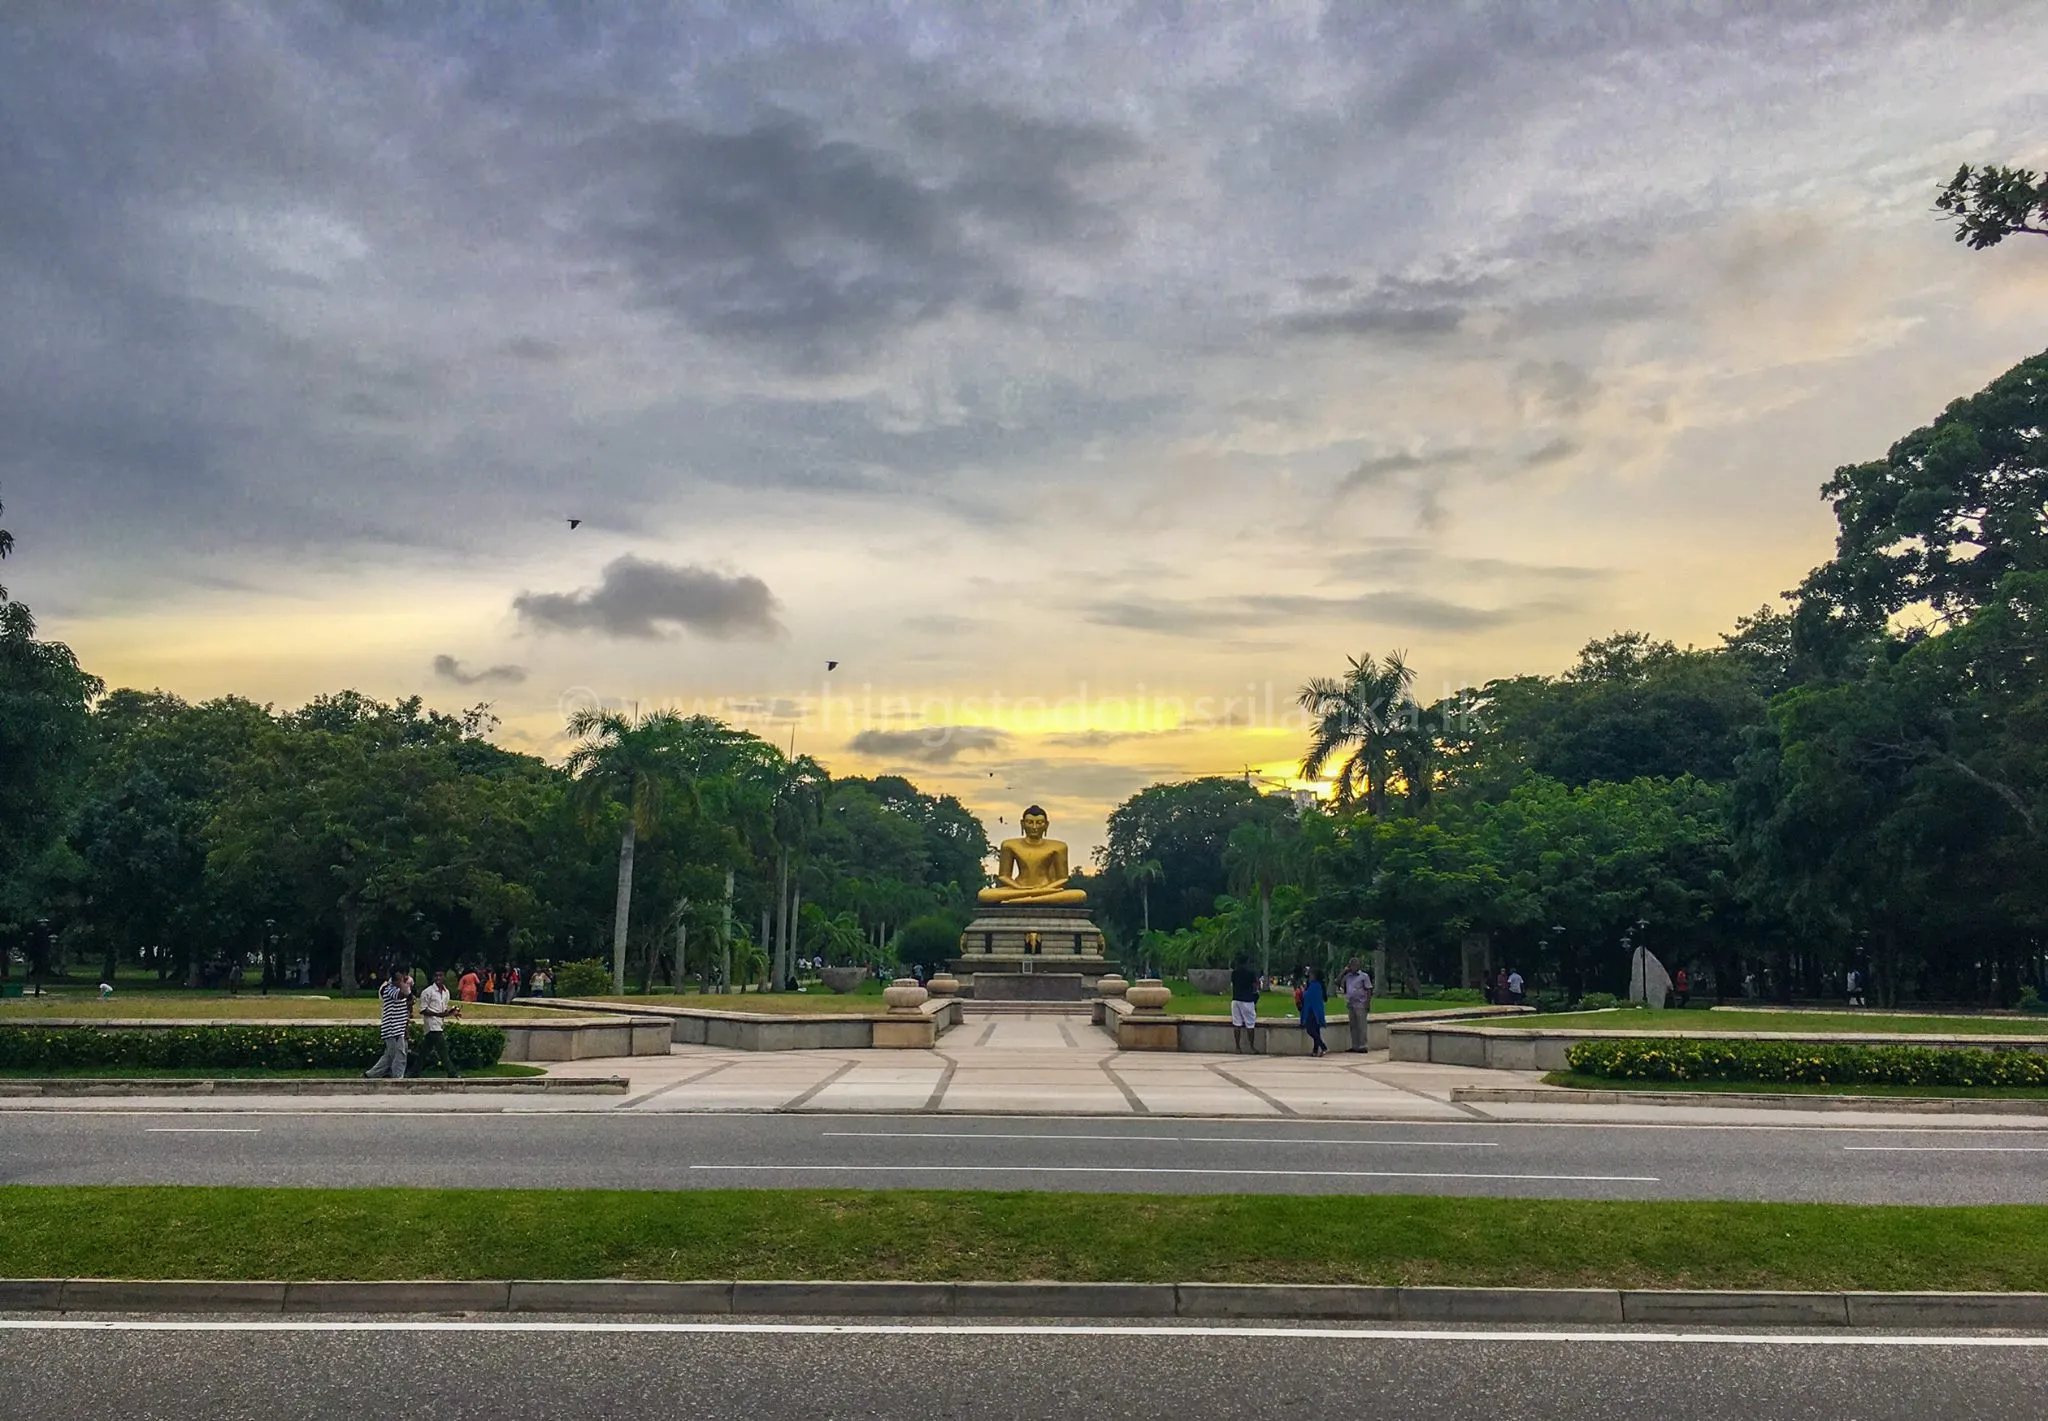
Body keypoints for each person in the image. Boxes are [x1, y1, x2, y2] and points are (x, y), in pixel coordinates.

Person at [364, 968, 413, 1080]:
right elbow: (403, 994)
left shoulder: (398, 986)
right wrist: (403, 982)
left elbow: (409, 999)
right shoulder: (389, 989)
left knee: (391, 1055)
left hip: (399, 1027)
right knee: (399, 1055)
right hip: (392, 1028)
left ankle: (371, 1074)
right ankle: (397, 1077)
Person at [419, 969, 460, 1078]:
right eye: (436, 976)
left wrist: (452, 1012)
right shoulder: (427, 992)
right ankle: (452, 1072)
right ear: (433, 977)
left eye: (440, 975)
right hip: (432, 1025)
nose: (438, 978)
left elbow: (444, 1010)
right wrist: (438, 1014)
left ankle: (414, 1072)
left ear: (444, 977)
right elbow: (423, 1010)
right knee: (443, 1050)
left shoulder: (446, 992)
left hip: (439, 1024)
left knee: (424, 1052)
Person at [1339, 957, 1374, 1053]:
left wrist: (1367, 1003)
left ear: (1358, 966)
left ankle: (1363, 1045)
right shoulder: (1348, 976)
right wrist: (1343, 972)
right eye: (1351, 964)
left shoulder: (1364, 976)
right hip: (1351, 1003)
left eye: (1354, 964)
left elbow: (1369, 990)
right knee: (1353, 1025)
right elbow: (1337, 982)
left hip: (1361, 1003)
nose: (1352, 966)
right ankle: (1355, 1045)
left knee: (1361, 1025)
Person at [1228, 958, 1260, 1054]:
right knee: (1250, 1024)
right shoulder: (1251, 972)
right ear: (1247, 962)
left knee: (1237, 1024)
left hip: (1236, 1000)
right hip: (1247, 1000)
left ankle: (1237, 1047)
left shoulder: (1234, 973)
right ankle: (1251, 1047)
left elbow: (1233, 984)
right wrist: (1255, 998)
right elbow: (1255, 986)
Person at [1300, 966, 1328, 1057]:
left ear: (1315, 976)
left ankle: (1323, 1046)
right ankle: (1315, 1050)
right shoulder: (1316, 985)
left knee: (1310, 1029)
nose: (1310, 976)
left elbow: (1307, 996)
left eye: (1311, 974)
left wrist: (1302, 992)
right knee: (1316, 1030)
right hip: (1317, 1010)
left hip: (1312, 1010)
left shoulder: (1315, 985)